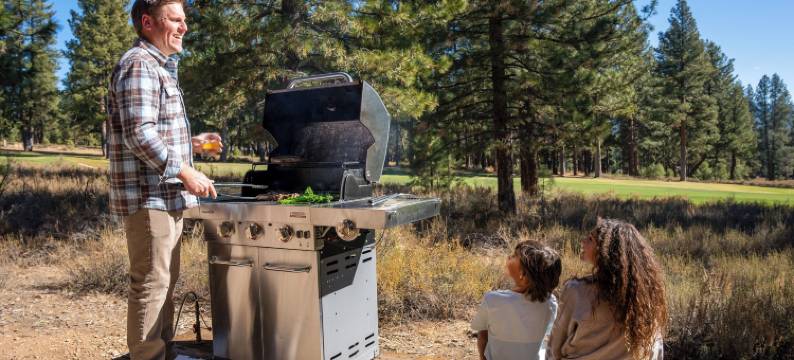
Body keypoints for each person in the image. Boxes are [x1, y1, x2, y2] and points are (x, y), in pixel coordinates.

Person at [107, 1, 220, 358]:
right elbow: (138, 134)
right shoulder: (140, 64)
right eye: (175, 19)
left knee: (162, 286)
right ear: (147, 23)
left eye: (184, 20)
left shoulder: (159, 68)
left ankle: (160, 353)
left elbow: (151, 131)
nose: (184, 27)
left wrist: (193, 145)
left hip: (164, 199)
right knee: (152, 286)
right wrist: (186, 171)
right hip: (149, 199)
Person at [548, 218, 667, 360]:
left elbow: (554, 348)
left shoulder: (576, 291)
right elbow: (655, 349)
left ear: (606, 251)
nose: (583, 241)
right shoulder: (648, 295)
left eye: (590, 239)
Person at [471, 241, 562, 360]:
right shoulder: (551, 303)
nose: (509, 257)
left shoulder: (492, 300)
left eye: (514, 255)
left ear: (523, 275)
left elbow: (482, 335)